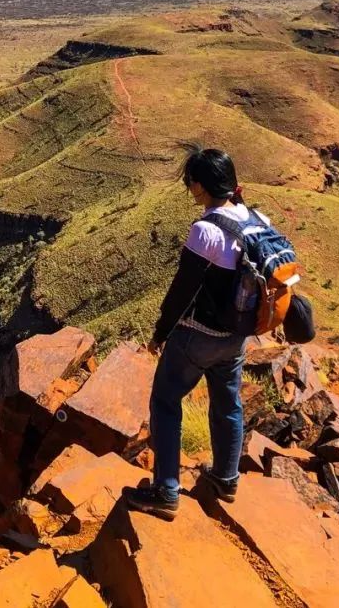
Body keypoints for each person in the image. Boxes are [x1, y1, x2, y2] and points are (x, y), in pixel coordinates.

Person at [126, 146, 264, 520]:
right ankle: (225, 478)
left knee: (166, 402)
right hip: (236, 338)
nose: (189, 188)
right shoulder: (254, 218)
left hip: (197, 338)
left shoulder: (206, 231)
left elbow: (181, 291)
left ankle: (166, 490)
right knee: (227, 403)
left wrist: (159, 333)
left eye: (190, 182)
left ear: (200, 186)